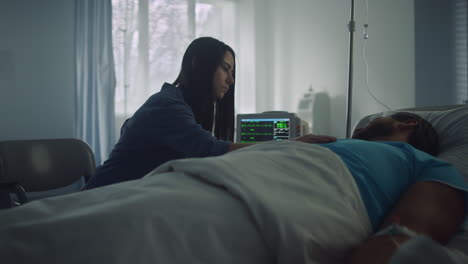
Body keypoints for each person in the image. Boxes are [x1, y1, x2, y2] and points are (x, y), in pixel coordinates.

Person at [83, 37, 333, 190]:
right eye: (226, 69)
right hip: (99, 200)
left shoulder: (181, 107)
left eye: (232, 72)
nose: (231, 80)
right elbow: (212, 150)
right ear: (199, 65)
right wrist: (290, 144)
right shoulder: (167, 106)